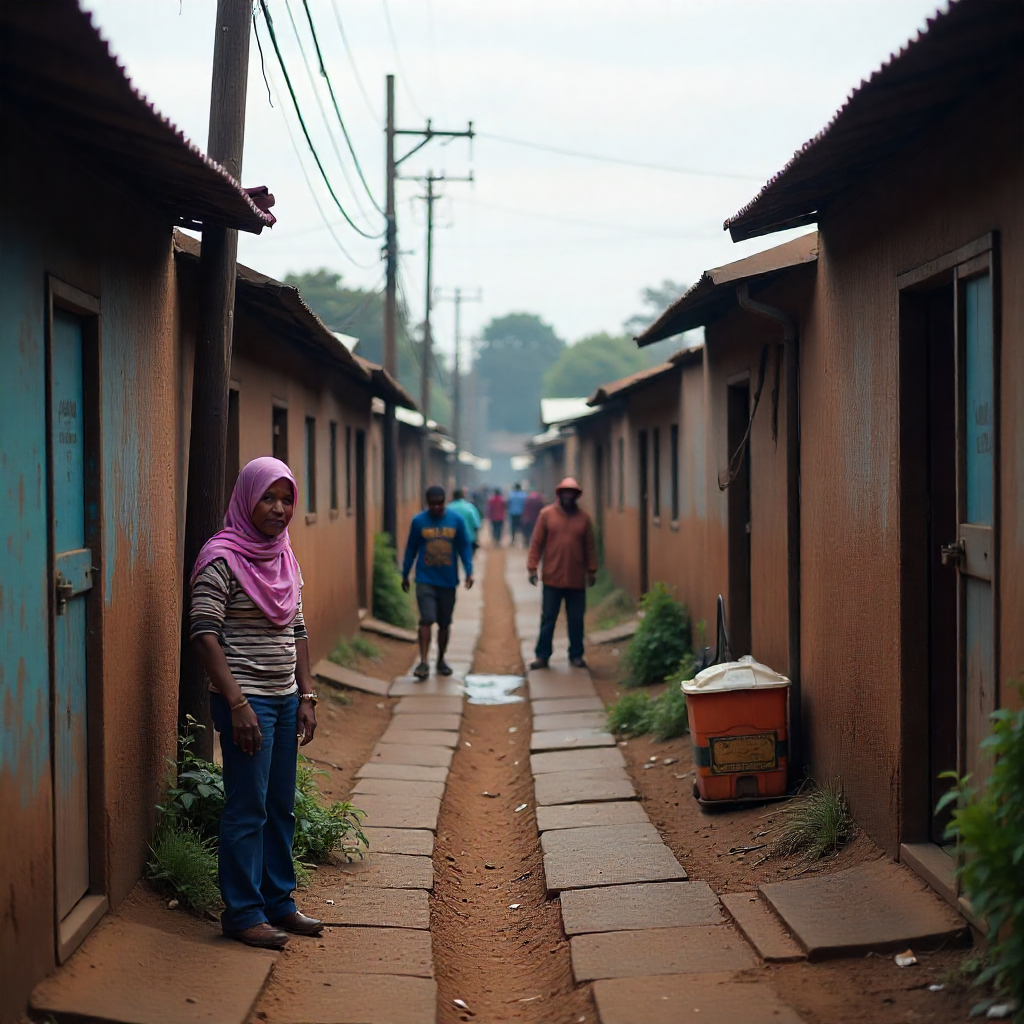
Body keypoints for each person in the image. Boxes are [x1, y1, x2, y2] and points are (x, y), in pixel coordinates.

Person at [190, 457, 322, 951]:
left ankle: (279, 902)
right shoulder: (221, 558)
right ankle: (243, 913)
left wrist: (305, 694)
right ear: (247, 498)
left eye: (287, 499)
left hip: (285, 699)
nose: (280, 508)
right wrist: (237, 702)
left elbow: (298, 629)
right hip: (246, 701)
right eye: (269, 497)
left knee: (280, 805)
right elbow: (204, 635)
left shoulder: (284, 555)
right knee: (248, 807)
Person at [401, 485, 474, 679]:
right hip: (425, 579)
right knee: (426, 618)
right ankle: (423, 662)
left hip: (448, 581)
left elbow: (464, 547)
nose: (435, 508)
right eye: (432, 504)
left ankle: (441, 659)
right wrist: (405, 573)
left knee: (444, 623)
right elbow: (411, 549)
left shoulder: (455, 521)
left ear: (445, 502)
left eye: (439, 504)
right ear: (427, 503)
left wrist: (469, 571)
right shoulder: (419, 522)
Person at [526, 476, 597, 670]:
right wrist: (532, 567)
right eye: (565, 492)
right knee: (548, 619)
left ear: (576, 496)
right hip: (552, 578)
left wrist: (591, 569)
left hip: (575, 580)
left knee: (576, 620)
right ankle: (542, 656)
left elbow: (589, 547)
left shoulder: (584, 519)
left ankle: (576, 655)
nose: (568, 496)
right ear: (559, 494)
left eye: (572, 493)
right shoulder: (546, 515)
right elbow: (536, 543)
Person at [448, 487, 483, 552]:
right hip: (468, 538)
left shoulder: (448, 508)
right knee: (467, 560)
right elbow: (476, 524)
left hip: (451, 538)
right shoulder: (470, 508)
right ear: (463, 496)